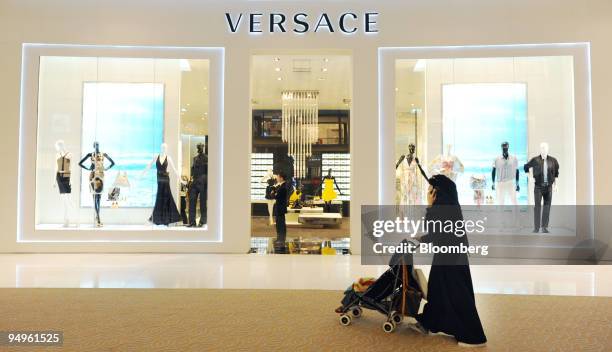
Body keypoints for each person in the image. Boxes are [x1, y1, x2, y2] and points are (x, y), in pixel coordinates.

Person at [409, 159, 487, 347]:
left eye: (431, 191)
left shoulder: (441, 208)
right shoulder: (450, 207)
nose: (428, 194)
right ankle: (431, 323)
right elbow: (440, 233)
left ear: (437, 192)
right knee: (437, 290)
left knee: (458, 296)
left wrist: (428, 206)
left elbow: (436, 231)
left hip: (450, 259)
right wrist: (421, 239)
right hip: (448, 256)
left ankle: (474, 336)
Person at [272, 171, 289, 254]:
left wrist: (274, 193)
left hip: (280, 208)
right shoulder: (281, 186)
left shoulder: (283, 187)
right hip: (280, 208)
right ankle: (280, 238)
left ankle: (281, 240)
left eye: (278, 177)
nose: (277, 178)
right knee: (279, 222)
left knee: (281, 223)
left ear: (281, 178)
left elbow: (276, 196)